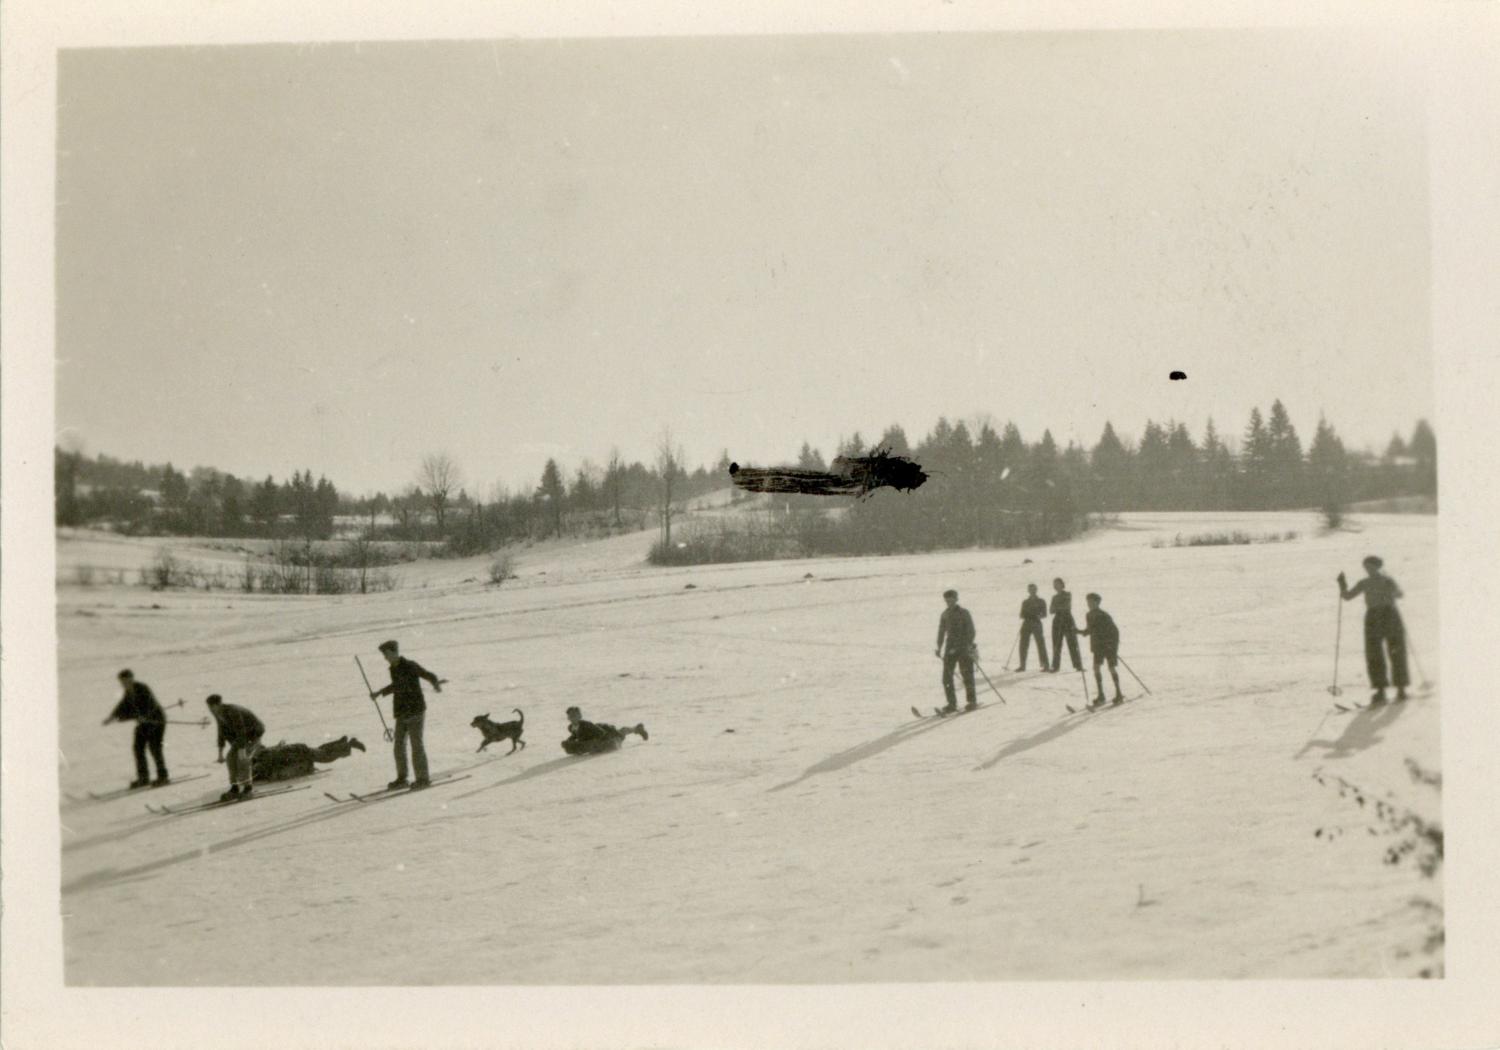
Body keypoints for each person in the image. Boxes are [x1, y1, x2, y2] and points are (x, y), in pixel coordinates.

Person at [370, 639, 443, 790]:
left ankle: (423, 779)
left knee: (416, 745)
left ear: (393, 652)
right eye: (384, 655)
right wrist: (379, 693)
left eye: (386, 654)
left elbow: (427, 674)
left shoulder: (410, 665)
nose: (385, 658)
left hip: (416, 711)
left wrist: (435, 683)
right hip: (402, 712)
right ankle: (402, 779)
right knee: (398, 746)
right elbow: (397, 685)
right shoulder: (393, 668)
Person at [1338, 555, 1409, 705]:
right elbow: (1348, 596)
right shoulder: (1364, 582)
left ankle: (1401, 688)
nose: (1367, 569)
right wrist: (1342, 585)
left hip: (1389, 614)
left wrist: (1392, 589)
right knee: (1374, 653)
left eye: (1370, 566)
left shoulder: (1387, 580)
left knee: (1396, 649)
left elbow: (1400, 595)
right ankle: (1380, 690)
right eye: (1366, 567)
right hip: (1372, 616)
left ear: (1377, 567)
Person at [100, 668, 170, 789]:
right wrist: (111, 717)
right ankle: (143, 778)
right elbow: (122, 706)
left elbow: (151, 704)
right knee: (138, 748)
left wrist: (144, 716)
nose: (124, 684)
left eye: (126, 681)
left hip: (156, 720)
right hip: (143, 722)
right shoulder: (128, 691)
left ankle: (163, 777)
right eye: (122, 682)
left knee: (154, 747)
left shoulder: (142, 688)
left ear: (131, 678)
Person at [206, 694, 265, 801]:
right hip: (241, 738)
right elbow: (221, 732)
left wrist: (242, 749)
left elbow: (240, 729)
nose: (210, 710)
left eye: (211, 707)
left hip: (254, 734)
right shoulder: (218, 713)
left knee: (243, 759)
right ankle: (235, 788)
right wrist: (220, 753)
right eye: (209, 707)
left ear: (218, 705)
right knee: (230, 758)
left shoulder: (232, 711)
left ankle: (248, 788)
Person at [934, 588, 978, 712]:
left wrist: (966, 645)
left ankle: (972, 701)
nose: (949, 603)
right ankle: (951, 704)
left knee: (967, 675)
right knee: (946, 678)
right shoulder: (945, 614)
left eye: (951, 600)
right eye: (947, 601)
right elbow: (941, 632)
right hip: (949, 648)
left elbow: (971, 631)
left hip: (964, 648)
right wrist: (939, 647)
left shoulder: (964, 613)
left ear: (956, 599)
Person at [252, 735, 366, 782]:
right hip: (299, 751)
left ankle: (349, 744)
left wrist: (305, 767)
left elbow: (282, 771)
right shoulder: (262, 755)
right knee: (322, 752)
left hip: (300, 752)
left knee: (325, 756)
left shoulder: (265, 762)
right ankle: (342, 742)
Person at [1076, 592, 1123, 706]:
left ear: (1097, 602)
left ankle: (1119, 694)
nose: (1089, 604)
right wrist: (1077, 631)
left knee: (1111, 668)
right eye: (1088, 602)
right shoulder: (1089, 615)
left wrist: (1112, 645)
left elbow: (1114, 631)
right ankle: (1101, 695)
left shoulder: (1104, 615)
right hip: (1098, 646)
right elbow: (1089, 630)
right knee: (1096, 668)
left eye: (1092, 602)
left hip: (1109, 645)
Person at [562, 706, 648, 755]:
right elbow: (576, 735)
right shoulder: (571, 727)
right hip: (602, 734)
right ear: (568, 718)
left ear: (580, 716)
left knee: (620, 734)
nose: (573, 718)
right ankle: (636, 728)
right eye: (571, 716)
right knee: (621, 731)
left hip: (608, 733)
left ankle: (637, 729)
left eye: (575, 715)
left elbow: (601, 733)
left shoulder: (586, 724)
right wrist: (570, 741)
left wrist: (596, 744)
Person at [1048, 577, 1083, 673]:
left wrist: (1057, 607)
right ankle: (1055, 666)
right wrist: (1058, 607)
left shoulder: (1067, 594)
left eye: (1057, 583)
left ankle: (1078, 665)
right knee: (1056, 643)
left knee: (1072, 642)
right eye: (1054, 584)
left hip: (1067, 619)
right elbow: (1051, 610)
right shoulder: (1054, 597)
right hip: (1057, 620)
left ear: (1062, 584)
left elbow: (1066, 606)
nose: (1056, 586)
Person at [1017, 583, 1049, 671]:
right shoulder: (1025, 602)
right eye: (1030, 590)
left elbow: (1044, 614)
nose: (1032, 591)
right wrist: (1024, 615)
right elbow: (1021, 614)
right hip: (1026, 623)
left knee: (1040, 643)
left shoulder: (1041, 601)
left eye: (1033, 589)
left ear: (1036, 590)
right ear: (1028, 591)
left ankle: (1045, 665)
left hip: (1036, 623)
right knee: (1023, 644)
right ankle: (1022, 665)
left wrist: (1038, 615)